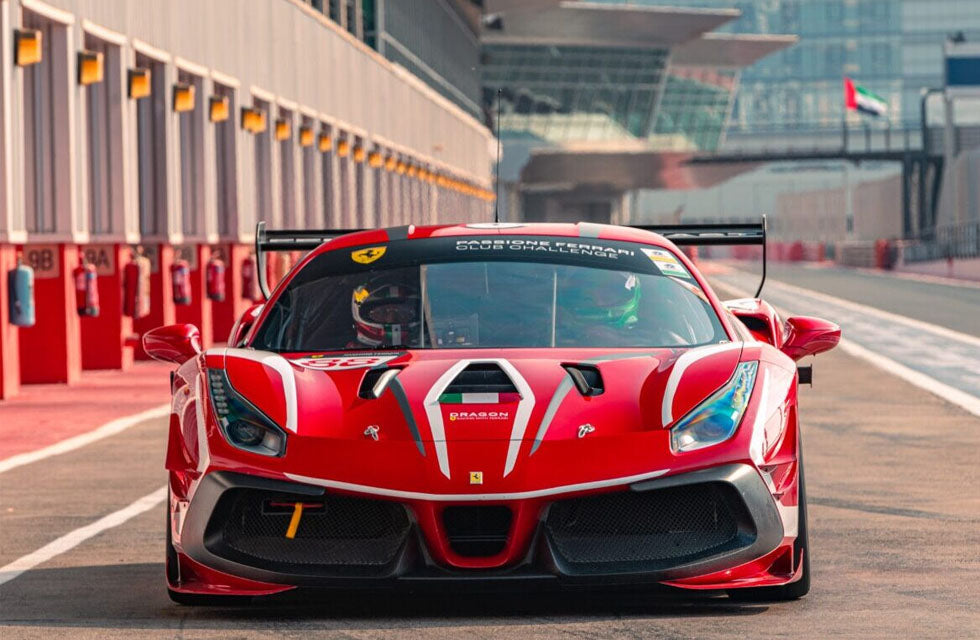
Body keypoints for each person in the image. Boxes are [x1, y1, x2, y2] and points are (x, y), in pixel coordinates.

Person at [351, 279, 421, 348]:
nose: (391, 319)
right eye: (381, 312)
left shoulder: (430, 350)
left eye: (403, 312)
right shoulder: (346, 354)